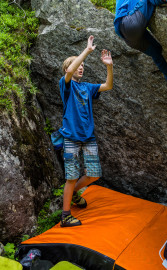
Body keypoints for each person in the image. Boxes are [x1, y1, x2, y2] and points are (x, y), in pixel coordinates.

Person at [58, 35, 113, 227]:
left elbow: (108, 86)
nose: (81, 67)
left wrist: (109, 66)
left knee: (94, 174)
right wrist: (87, 51)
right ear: (67, 70)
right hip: (71, 137)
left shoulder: (87, 87)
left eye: (82, 65)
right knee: (71, 177)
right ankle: (65, 216)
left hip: (88, 137)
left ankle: (72, 193)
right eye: (77, 65)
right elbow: (72, 69)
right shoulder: (65, 85)